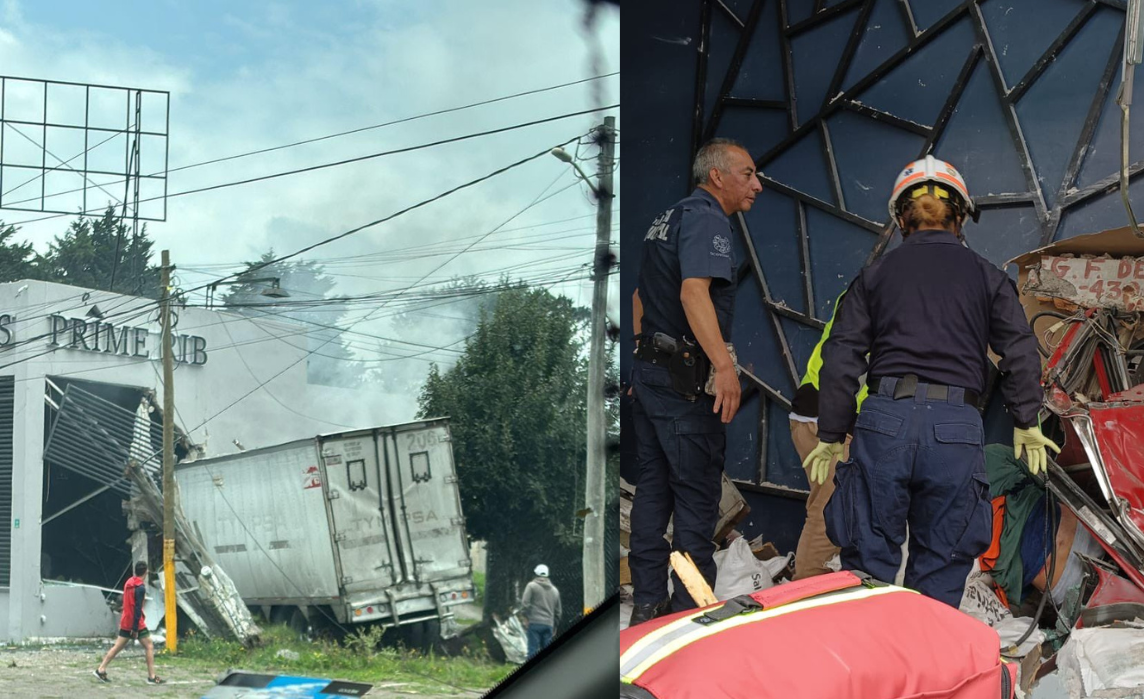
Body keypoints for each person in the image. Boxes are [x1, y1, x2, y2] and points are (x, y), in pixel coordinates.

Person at [804, 154, 1059, 607]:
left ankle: (868, 670)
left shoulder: (875, 276)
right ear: (960, 216)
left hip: (884, 421)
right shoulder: (987, 277)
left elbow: (840, 355)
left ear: (901, 217)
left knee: (866, 565)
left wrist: (830, 432)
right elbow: (1019, 349)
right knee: (943, 563)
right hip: (956, 427)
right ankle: (924, 669)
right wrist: (1027, 421)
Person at [628, 138, 761, 626]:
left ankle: (647, 602)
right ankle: (691, 613)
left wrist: (642, 359)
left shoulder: (668, 218)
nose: (757, 185)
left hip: (651, 377)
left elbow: (642, 297)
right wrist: (723, 368)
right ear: (718, 176)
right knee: (695, 497)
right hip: (684, 384)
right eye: (747, 174)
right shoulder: (708, 218)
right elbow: (692, 293)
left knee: (653, 490)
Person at [788, 290, 868, 580]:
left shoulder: (867, 286)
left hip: (821, 414)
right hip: (828, 419)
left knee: (836, 515)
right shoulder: (881, 292)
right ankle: (804, 601)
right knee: (827, 517)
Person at [94, 561, 164, 685]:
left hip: (126, 619)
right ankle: (151, 677)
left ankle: (101, 669)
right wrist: (136, 628)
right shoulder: (140, 588)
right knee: (149, 646)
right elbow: (137, 609)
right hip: (135, 622)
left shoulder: (129, 582)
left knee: (118, 647)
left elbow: (128, 601)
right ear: (146, 572)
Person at [520, 564, 561, 659]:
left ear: (536, 574)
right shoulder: (555, 591)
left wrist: (525, 618)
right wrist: (554, 626)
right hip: (549, 625)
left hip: (534, 623)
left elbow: (525, 604)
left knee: (532, 650)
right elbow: (558, 612)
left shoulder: (531, 586)